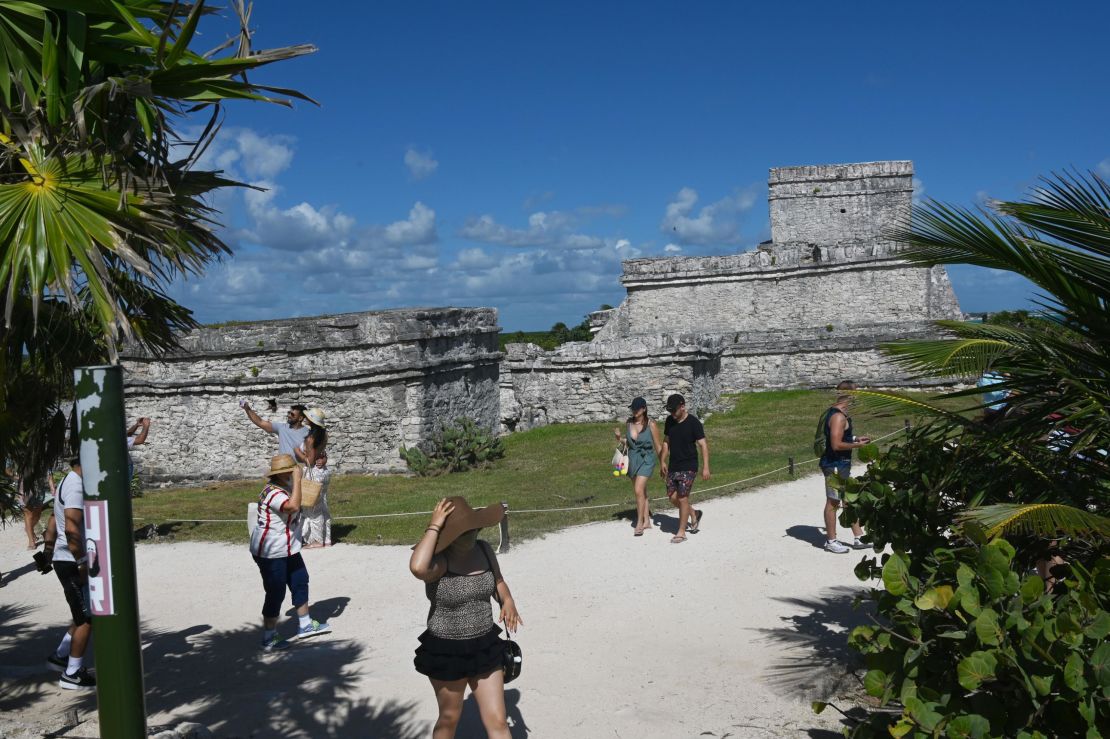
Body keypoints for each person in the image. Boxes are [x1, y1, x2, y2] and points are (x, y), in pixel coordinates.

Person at [410, 497, 522, 739]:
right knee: (449, 719)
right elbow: (418, 568)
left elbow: (498, 582)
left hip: (485, 644)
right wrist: (434, 525)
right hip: (446, 649)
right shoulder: (439, 562)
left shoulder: (484, 550)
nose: (470, 535)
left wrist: (508, 600)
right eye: (463, 532)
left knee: (499, 722)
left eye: (472, 529)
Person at [249, 454, 331, 651]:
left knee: (300, 579)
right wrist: (296, 479)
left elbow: (305, 497)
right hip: (271, 551)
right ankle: (269, 637)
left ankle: (305, 624)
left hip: (288, 547)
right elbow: (292, 506)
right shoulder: (272, 492)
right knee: (275, 592)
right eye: (292, 470)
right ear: (284, 473)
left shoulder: (286, 488)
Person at [48, 458, 96, 689]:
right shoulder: (76, 486)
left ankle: (61, 655)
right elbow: (70, 527)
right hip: (72, 561)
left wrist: (48, 548)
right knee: (88, 618)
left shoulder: (68, 480)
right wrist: (83, 562)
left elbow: (51, 520)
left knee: (80, 611)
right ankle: (72, 674)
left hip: (65, 558)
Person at [818, 384, 871, 554]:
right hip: (835, 464)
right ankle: (831, 541)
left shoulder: (837, 413)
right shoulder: (839, 417)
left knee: (848, 499)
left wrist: (854, 438)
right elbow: (836, 444)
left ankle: (858, 536)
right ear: (850, 395)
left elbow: (840, 434)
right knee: (833, 502)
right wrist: (857, 445)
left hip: (841, 464)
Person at [659, 394, 710, 544]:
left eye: (674, 411)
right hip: (674, 465)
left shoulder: (694, 423)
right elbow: (666, 442)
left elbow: (703, 445)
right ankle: (694, 513)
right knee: (672, 497)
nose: (672, 414)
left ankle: (681, 532)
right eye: (670, 411)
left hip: (689, 466)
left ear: (682, 406)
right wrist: (662, 460)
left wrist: (706, 467)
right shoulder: (670, 421)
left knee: (682, 497)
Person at [614, 397, 662, 536]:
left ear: (644, 409)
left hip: (646, 459)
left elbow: (658, 446)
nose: (634, 411)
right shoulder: (629, 423)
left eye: (637, 408)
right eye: (633, 408)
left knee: (638, 489)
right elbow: (628, 443)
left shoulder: (651, 424)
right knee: (642, 492)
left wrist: (663, 463)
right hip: (633, 460)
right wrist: (619, 438)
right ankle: (647, 521)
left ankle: (639, 523)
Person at [242, 402, 309, 456]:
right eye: (289, 413)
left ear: (300, 418)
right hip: (283, 469)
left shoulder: (308, 433)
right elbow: (260, 422)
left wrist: (319, 459)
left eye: (292, 414)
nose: (289, 415)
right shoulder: (282, 428)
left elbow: (313, 453)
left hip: (300, 470)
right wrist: (247, 409)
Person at [301, 450, 332, 548]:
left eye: (321, 458)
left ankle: (317, 540)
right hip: (321, 490)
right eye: (317, 458)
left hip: (315, 489)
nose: (319, 460)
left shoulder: (312, 446)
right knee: (323, 513)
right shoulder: (325, 469)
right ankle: (326, 539)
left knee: (314, 514)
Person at [19, 473, 52, 550]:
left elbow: (48, 472)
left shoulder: (40, 461)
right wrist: (18, 478)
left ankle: (29, 528)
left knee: (37, 514)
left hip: (39, 486)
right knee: (28, 513)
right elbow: (7, 470)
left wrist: (52, 486)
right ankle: (31, 541)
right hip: (24, 487)